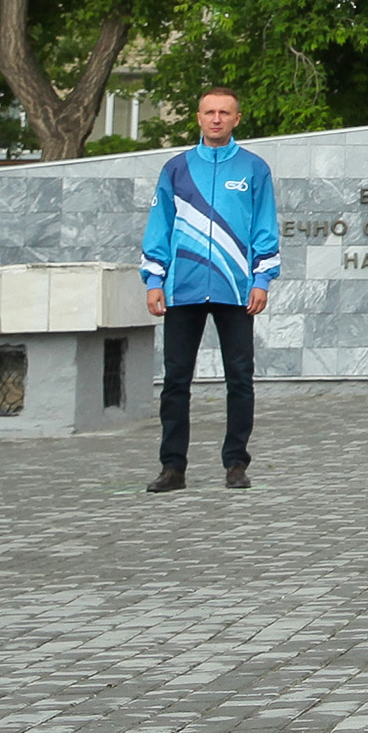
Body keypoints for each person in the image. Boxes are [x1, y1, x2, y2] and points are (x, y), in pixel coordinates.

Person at [142, 83, 281, 493]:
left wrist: (261, 279)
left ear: (237, 119)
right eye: (209, 112)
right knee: (175, 380)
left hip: (236, 289)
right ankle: (173, 467)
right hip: (182, 288)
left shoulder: (254, 168)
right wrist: (154, 280)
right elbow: (159, 227)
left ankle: (236, 463)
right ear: (199, 117)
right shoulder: (176, 169)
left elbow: (264, 227)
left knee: (239, 377)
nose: (216, 119)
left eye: (225, 113)